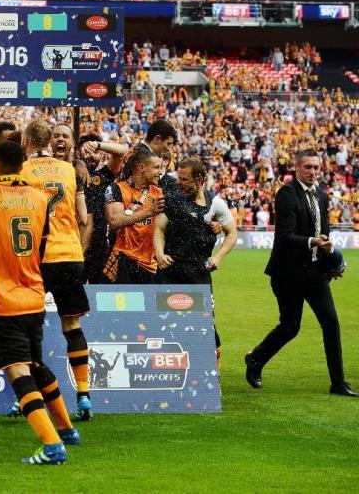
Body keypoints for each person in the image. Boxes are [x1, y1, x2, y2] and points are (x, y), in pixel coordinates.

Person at [0, 140, 79, 466]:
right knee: (35, 363)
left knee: (17, 370)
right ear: (23, 164)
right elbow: (42, 251)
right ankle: (66, 430)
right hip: (34, 295)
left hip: (2, 298)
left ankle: (52, 447)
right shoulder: (40, 199)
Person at [245, 150, 354, 396]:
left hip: (316, 274)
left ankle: (338, 383)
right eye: (308, 167)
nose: (313, 171)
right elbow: (285, 237)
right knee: (290, 327)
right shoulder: (285, 194)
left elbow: (325, 233)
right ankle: (256, 359)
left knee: (331, 323)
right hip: (288, 274)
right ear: (296, 167)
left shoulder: (321, 195)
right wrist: (313, 242)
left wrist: (332, 263)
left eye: (316, 167)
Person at [21, 120, 93, 420]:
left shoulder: (23, 171)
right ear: (49, 141)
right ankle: (84, 394)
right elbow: (83, 216)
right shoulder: (69, 170)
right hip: (70, 253)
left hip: (39, 257)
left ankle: (29, 393)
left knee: (29, 326)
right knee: (72, 325)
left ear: (26, 140)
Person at [153, 158, 238, 369]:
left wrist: (217, 258)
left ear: (199, 180)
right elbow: (159, 229)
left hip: (198, 273)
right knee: (164, 322)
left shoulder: (215, 203)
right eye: (178, 177)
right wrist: (159, 253)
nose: (179, 182)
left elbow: (232, 234)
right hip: (169, 271)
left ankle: (212, 371)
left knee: (206, 322)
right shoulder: (171, 199)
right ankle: (167, 369)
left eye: (184, 178)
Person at [103, 149, 165, 283]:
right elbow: (114, 221)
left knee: (146, 304)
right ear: (141, 167)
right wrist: (149, 212)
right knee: (123, 304)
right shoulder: (116, 189)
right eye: (156, 167)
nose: (160, 172)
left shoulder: (159, 192)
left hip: (149, 265)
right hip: (123, 260)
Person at [78, 134, 127, 283]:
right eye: (86, 151)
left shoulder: (105, 175)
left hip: (99, 246)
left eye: (94, 152)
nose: (90, 156)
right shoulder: (71, 172)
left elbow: (121, 151)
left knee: (98, 294)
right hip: (75, 244)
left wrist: (98, 145)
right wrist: (78, 163)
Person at [120, 119, 178, 190]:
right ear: (157, 139)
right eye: (168, 144)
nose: (169, 149)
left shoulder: (139, 150)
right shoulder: (143, 156)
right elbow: (136, 187)